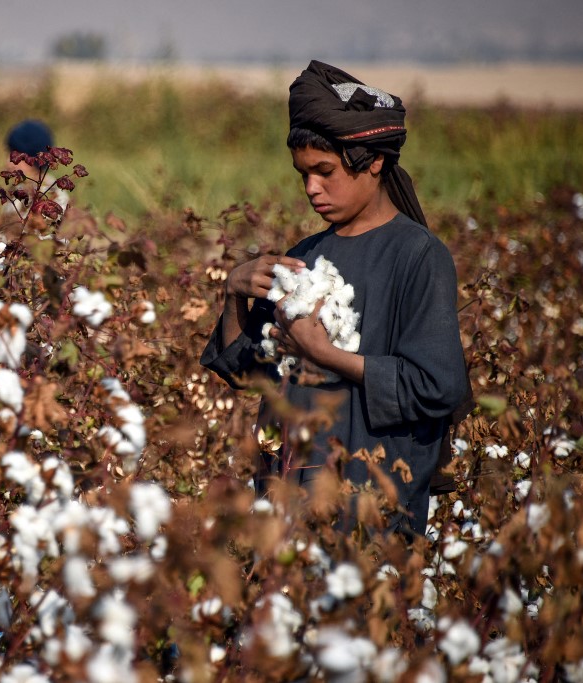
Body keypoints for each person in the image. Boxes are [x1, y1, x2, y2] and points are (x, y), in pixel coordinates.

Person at [200, 60, 470, 537]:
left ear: (374, 162)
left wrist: (325, 355)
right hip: (287, 504)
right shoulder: (303, 258)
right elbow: (245, 375)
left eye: (324, 172)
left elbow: (435, 385)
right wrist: (233, 295)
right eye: (302, 175)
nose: (311, 189)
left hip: (372, 510)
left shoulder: (418, 256)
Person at [4, 119, 70, 218]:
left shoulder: (54, 198)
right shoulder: (15, 193)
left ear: (36, 159)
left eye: (17, 158)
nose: (9, 164)